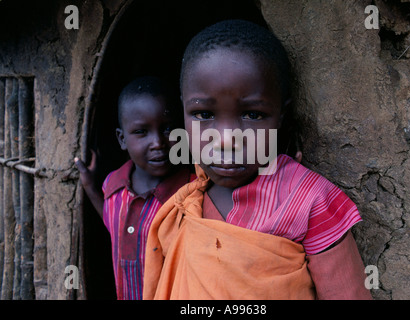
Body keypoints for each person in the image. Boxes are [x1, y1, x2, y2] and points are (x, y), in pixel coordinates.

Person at [142, 20, 372, 300]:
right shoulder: (188, 204)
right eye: (203, 114)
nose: (226, 138)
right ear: (183, 112)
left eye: (252, 114)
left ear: (281, 116)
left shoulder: (310, 202)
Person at [75, 76, 193, 300]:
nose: (158, 142)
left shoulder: (191, 194)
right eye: (141, 132)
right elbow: (117, 225)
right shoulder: (113, 185)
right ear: (122, 139)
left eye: (168, 129)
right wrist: (91, 188)